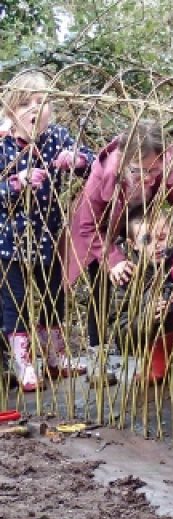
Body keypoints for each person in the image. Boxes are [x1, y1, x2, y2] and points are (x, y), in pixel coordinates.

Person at [65, 119, 173, 387]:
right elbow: (87, 225)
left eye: (154, 170)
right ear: (126, 161)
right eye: (140, 171)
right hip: (96, 232)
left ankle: (164, 354)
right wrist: (113, 259)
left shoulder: (161, 166)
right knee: (100, 290)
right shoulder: (104, 173)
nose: (149, 178)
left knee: (157, 282)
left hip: (136, 227)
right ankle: (99, 363)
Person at [0, 70, 94, 391]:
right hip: (10, 242)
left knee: (55, 295)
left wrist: (77, 160)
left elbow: (93, 166)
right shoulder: (2, 142)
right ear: (11, 109)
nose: (35, 109)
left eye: (42, 102)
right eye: (27, 103)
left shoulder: (56, 137)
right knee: (17, 302)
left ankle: (55, 357)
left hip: (48, 238)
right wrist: (15, 183)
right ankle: (23, 364)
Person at [112, 207, 173, 383]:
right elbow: (120, 336)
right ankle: (156, 359)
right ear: (132, 244)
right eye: (147, 240)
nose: (157, 245)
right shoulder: (127, 275)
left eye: (162, 237)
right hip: (150, 345)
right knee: (153, 295)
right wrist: (147, 317)